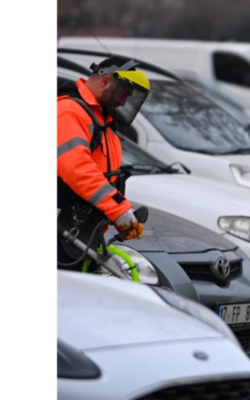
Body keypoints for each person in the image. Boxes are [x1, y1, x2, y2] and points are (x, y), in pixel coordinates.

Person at [57, 56, 151, 271]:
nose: (124, 103)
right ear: (106, 82)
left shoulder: (99, 117)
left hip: (80, 230)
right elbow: (78, 169)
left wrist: (115, 213)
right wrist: (117, 209)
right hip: (62, 230)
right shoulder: (70, 112)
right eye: (123, 94)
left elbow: (104, 175)